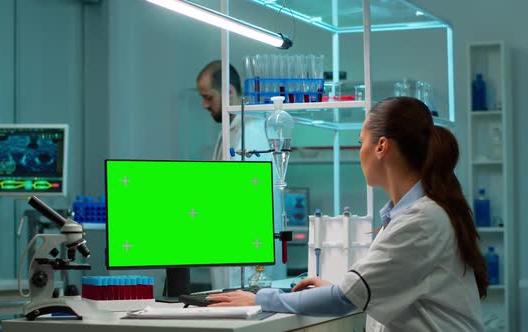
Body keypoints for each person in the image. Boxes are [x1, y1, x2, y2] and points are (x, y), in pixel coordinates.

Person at [207, 96, 487, 332]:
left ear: (382, 147)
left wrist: (261, 298)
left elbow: (344, 299)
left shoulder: (422, 220)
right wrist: (340, 289)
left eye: (360, 142)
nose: (359, 151)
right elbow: (372, 290)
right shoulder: (415, 214)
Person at [196, 60, 286, 289]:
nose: (204, 105)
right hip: (230, 259)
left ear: (229, 92)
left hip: (249, 270)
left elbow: (248, 205)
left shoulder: (251, 133)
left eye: (208, 96)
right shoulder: (230, 131)